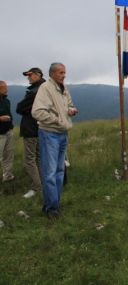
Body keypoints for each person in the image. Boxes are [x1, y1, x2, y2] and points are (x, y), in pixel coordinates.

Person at [32, 63, 77, 219]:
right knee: (50, 172)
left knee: (59, 171)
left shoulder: (63, 88)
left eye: (65, 72)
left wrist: (71, 110)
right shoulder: (46, 88)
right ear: (52, 74)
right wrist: (58, 121)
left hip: (62, 134)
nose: (64, 75)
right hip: (49, 134)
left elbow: (68, 105)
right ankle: (52, 209)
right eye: (60, 72)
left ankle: (52, 204)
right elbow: (37, 112)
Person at [16, 67, 46, 198]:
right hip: (40, 127)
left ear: (38, 75)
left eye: (31, 75)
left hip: (30, 128)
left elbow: (19, 108)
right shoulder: (45, 88)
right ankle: (42, 184)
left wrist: (27, 111)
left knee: (29, 158)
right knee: (38, 157)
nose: (29, 77)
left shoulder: (34, 91)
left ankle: (36, 187)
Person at [0, 81, 14, 183]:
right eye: (4, 88)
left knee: (8, 154)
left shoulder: (7, 101)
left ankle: (8, 176)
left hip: (8, 130)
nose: (7, 90)